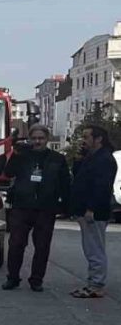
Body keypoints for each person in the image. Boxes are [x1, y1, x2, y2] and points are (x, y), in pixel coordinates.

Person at [1, 124, 70, 291]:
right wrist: (15, 155)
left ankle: (37, 280)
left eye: (41, 138)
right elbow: (8, 173)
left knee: (42, 246)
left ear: (47, 139)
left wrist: (65, 206)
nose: (37, 141)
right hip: (22, 206)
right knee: (16, 244)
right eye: (34, 138)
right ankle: (13, 277)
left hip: (46, 208)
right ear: (30, 139)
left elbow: (65, 184)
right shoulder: (22, 155)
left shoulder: (57, 159)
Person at [68, 124, 117, 298]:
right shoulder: (92, 157)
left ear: (98, 139)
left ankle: (96, 284)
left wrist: (91, 209)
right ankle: (93, 281)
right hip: (86, 209)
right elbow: (79, 177)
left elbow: (101, 187)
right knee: (91, 247)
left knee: (94, 248)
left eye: (87, 137)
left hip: (94, 211)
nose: (84, 140)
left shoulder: (104, 159)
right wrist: (79, 159)